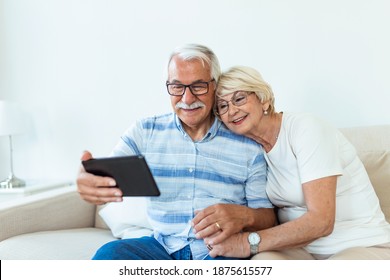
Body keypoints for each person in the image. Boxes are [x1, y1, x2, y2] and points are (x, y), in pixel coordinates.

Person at [76, 45, 276, 260]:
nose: (187, 98)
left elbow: (268, 218)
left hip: (220, 251)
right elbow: (103, 175)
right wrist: (86, 177)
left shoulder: (246, 142)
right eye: (177, 86)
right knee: (110, 254)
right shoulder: (145, 131)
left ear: (215, 86)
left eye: (198, 86)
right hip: (160, 247)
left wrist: (244, 216)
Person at [192, 65, 390, 260]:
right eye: (223, 107)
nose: (232, 110)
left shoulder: (306, 129)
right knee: (263, 266)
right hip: (300, 249)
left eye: (239, 99)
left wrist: (247, 243)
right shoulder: (252, 151)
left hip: (361, 243)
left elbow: (322, 222)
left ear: (264, 100)